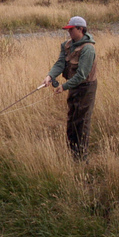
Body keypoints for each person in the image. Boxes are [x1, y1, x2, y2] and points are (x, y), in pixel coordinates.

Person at [41, 16, 97, 159]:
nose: (69, 33)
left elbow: (82, 75)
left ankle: (81, 159)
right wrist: (50, 76)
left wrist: (64, 86)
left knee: (81, 122)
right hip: (73, 86)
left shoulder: (88, 49)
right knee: (71, 120)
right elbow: (60, 63)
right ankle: (72, 154)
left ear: (81, 29)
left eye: (71, 30)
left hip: (86, 88)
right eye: (68, 30)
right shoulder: (66, 45)